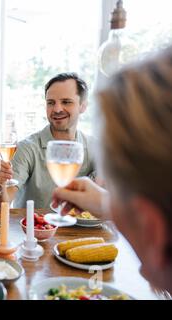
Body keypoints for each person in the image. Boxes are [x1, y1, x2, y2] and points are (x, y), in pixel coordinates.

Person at [52, 48, 172, 292]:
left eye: (116, 190)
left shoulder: (90, 143)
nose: (57, 109)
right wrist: (110, 203)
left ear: (152, 229)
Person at [0, 73, 96, 209]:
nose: (57, 109)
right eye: (51, 103)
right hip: (33, 228)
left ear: (83, 106)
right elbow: (2, 206)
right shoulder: (27, 148)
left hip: (80, 229)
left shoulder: (95, 147)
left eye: (66, 102)